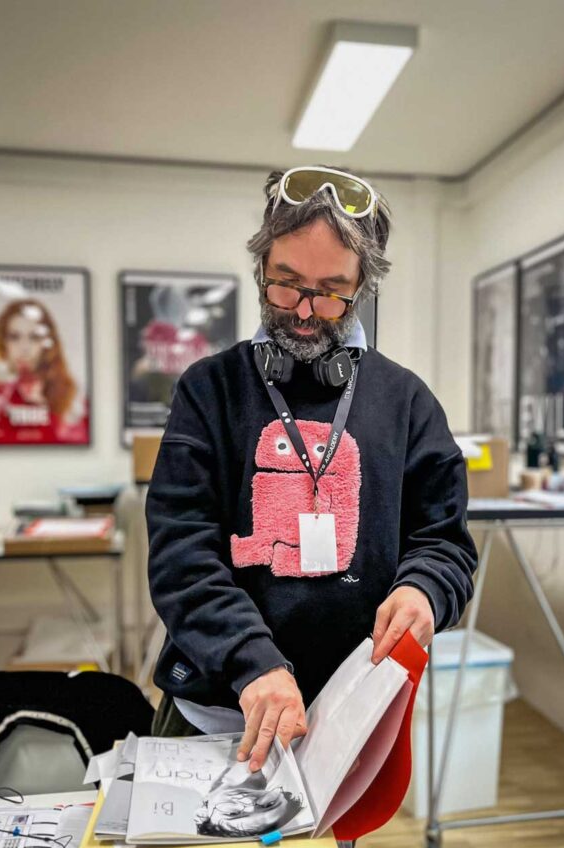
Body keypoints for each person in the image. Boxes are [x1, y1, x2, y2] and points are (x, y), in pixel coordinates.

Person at [146, 165, 478, 772]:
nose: (303, 311)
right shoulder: (209, 390)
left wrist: (423, 589)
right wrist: (255, 662)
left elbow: (446, 542)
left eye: (329, 292)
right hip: (217, 714)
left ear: (363, 287)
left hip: (346, 716)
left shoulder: (406, 402)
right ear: (261, 269)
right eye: (285, 283)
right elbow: (180, 554)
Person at [0, 299, 88, 445]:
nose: (24, 348)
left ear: (47, 343)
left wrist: (43, 405)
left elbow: (74, 437)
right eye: (14, 337)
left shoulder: (71, 392)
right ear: (3, 342)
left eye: (34, 337)